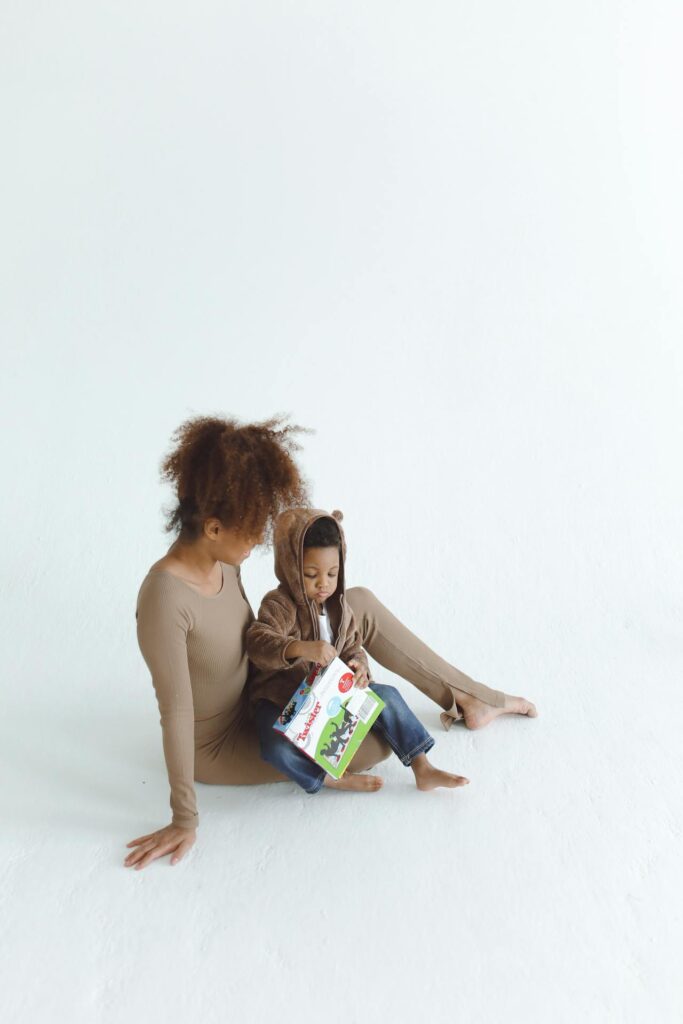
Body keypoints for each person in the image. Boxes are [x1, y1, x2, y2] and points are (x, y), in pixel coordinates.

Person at [126, 413, 537, 871]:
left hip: (269, 689)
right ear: (215, 529)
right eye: (251, 530)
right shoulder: (164, 600)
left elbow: (263, 632)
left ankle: (469, 697)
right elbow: (176, 712)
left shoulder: (224, 563)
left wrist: (345, 661)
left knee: (354, 600)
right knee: (379, 741)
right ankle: (327, 772)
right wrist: (184, 819)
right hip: (225, 743)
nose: (259, 542)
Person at [246, 508, 470, 794]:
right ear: (291, 567)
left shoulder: (339, 606)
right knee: (274, 747)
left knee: (387, 696)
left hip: (327, 696)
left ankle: (421, 766)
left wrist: (359, 666)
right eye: (311, 574)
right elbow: (257, 641)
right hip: (281, 698)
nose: (323, 583)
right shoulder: (279, 604)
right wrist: (301, 648)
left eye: (332, 573)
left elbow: (353, 645)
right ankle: (326, 779)